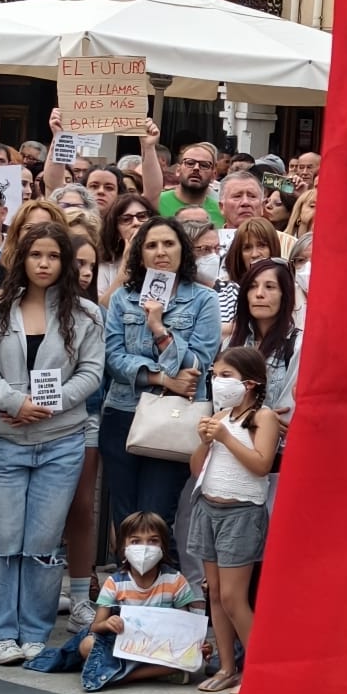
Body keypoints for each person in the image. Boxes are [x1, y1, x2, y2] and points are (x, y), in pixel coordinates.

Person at [0, 221, 104, 665]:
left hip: (61, 438)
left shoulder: (86, 314)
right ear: (21, 259)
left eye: (53, 256)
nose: (44, 264)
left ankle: (34, 628)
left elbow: (91, 372)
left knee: (43, 542)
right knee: (2, 539)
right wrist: (12, 400)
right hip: (3, 437)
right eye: (35, 255)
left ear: (65, 262)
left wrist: (50, 404)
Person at [102, 217, 221, 543]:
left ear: (183, 250)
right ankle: (125, 588)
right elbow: (113, 358)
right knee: (125, 515)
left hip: (174, 417)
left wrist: (159, 330)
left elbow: (199, 361)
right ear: (140, 255)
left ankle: (160, 587)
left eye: (169, 243)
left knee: (156, 514)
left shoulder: (204, 299)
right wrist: (162, 378)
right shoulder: (123, 300)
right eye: (151, 245)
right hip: (123, 412)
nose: (160, 251)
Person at [188, 346, 280, 694]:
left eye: (226, 376)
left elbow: (261, 465)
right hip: (207, 508)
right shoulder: (221, 415)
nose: (217, 382)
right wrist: (204, 442)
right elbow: (197, 469)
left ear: (251, 383)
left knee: (232, 597)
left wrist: (225, 437)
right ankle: (228, 667)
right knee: (213, 594)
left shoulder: (263, 417)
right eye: (215, 375)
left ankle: (257, 669)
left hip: (241, 513)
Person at [40, 510, 207, 690]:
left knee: (190, 657)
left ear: (164, 546)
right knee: (88, 644)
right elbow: (96, 626)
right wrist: (109, 623)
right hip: (122, 644)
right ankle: (150, 672)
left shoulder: (175, 580)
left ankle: (119, 675)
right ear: (123, 548)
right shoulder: (116, 582)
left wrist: (197, 645)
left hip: (159, 646)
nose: (145, 547)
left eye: (153, 541)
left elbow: (184, 626)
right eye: (136, 541)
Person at [63, 233, 108, 629]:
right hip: (25, 419)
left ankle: (79, 596)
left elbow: (97, 372)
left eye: (92, 265)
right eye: (78, 262)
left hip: (85, 416)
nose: (86, 271)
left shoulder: (94, 312)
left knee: (81, 505)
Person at [229, 260, 301, 432]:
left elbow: (285, 415)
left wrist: (248, 418)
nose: (259, 294)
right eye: (253, 286)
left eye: (270, 287)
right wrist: (257, 418)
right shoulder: (232, 342)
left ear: (285, 294)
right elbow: (221, 407)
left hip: (273, 450)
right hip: (228, 444)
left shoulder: (297, 344)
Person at [100, 193, 155, 300]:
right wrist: (127, 262)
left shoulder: (165, 254)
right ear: (116, 232)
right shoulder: (106, 266)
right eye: (126, 219)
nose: (136, 223)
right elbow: (103, 309)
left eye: (142, 216)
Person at [157, 143, 223, 225]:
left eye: (204, 165)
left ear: (214, 175)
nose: (196, 168)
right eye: (190, 163)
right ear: (178, 170)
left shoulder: (222, 212)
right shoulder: (157, 203)